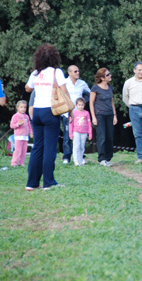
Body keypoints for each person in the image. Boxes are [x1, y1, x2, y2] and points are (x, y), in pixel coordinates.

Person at [25, 43, 71, 190]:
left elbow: (27, 88)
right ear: (54, 57)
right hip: (50, 111)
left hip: (37, 111)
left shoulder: (35, 73)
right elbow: (64, 91)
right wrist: (69, 109)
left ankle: (32, 183)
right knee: (50, 148)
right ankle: (49, 183)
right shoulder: (56, 72)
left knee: (37, 147)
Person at [60, 65, 91, 164]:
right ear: (69, 73)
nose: (78, 72)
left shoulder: (82, 83)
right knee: (67, 136)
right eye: (75, 71)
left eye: (78, 71)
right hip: (67, 113)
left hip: (79, 114)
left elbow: (89, 94)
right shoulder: (64, 82)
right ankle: (67, 157)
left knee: (81, 137)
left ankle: (80, 156)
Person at [90, 68, 117, 167]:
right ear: (102, 78)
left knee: (109, 136)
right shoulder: (95, 88)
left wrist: (115, 115)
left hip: (109, 114)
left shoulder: (110, 87)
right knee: (102, 137)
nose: (110, 76)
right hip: (99, 114)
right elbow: (91, 103)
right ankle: (102, 158)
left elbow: (112, 101)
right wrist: (93, 117)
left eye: (109, 74)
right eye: (107, 75)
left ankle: (108, 157)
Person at [69, 98, 92, 166]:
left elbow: (89, 123)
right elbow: (71, 124)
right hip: (76, 131)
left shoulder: (86, 113)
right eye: (79, 105)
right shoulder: (73, 113)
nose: (80, 106)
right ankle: (75, 160)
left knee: (82, 146)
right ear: (76, 105)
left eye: (82, 105)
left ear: (84, 105)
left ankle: (80, 159)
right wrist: (70, 134)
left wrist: (90, 133)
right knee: (76, 145)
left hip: (84, 132)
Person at [10, 100, 32, 167]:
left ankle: (21, 162)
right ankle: (14, 162)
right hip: (18, 136)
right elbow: (12, 125)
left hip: (25, 136)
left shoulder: (26, 116)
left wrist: (31, 132)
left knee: (24, 150)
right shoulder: (15, 116)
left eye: (25, 107)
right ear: (17, 108)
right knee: (18, 150)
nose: (23, 109)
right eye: (21, 107)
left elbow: (29, 125)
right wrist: (18, 124)